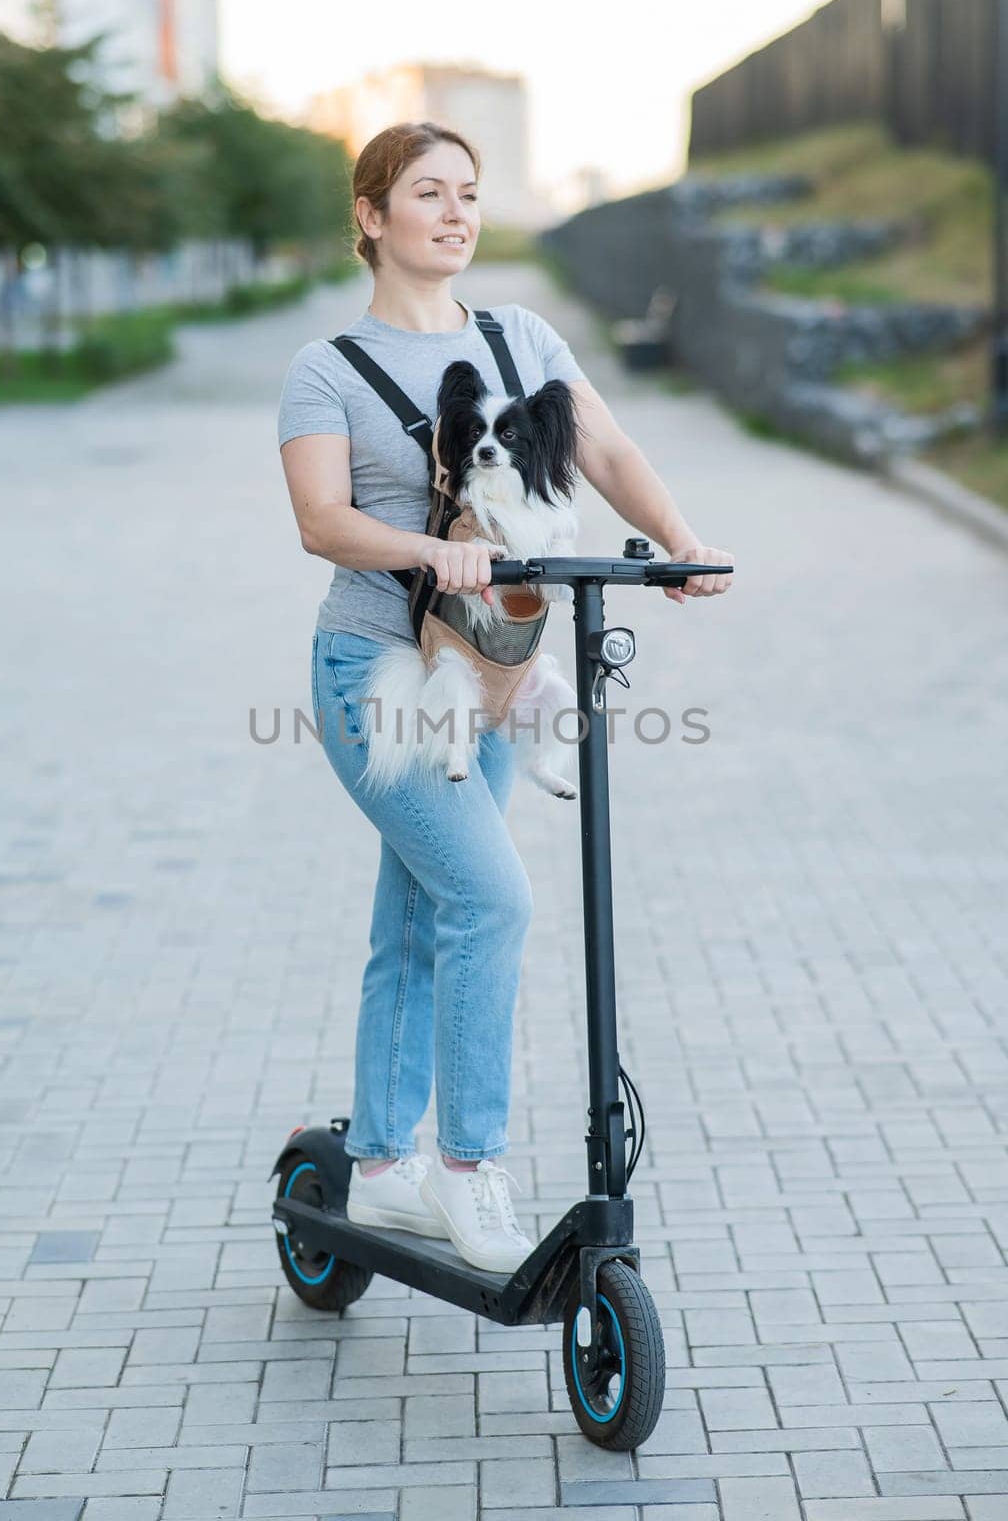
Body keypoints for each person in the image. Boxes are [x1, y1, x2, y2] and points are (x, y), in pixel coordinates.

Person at [278, 121, 733, 1273]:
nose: (453, 212)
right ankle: (468, 1171)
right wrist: (435, 554)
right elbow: (321, 520)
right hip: (378, 672)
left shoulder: (519, 338)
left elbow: (608, 448)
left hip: (497, 669)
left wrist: (679, 542)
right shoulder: (326, 368)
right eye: (425, 193)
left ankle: (380, 1167)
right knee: (492, 901)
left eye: (468, 194)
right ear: (372, 216)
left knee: (421, 915)